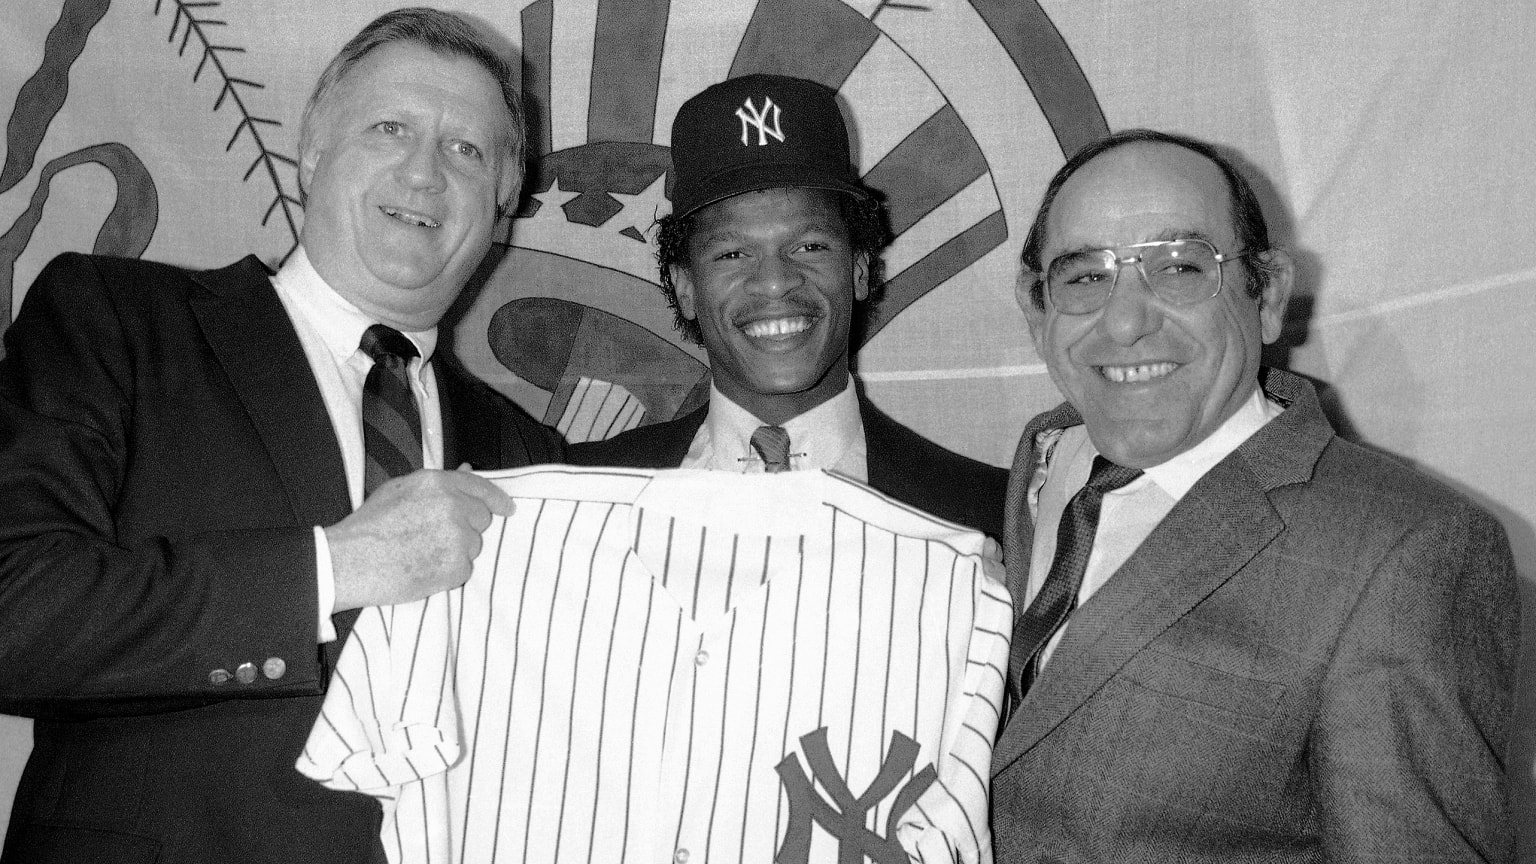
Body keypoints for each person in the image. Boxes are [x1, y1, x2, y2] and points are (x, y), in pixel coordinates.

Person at [0, 9, 561, 864]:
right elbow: (15, 614)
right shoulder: (117, 322)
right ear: (311, 153)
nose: (423, 173)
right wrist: (330, 568)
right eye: (389, 128)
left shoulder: (531, 454)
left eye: (467, 151)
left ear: (503, 203)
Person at [989, 129, 1519, 861]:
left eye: (1179, 269)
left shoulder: (1405, 554)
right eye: (1084, 278)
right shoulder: (1046, 453)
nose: (1125, 320)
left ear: (1267, 294)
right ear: (1036, 308)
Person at [568, 73, 1006, 541]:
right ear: (685, 287)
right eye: (732, 254)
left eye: (810, 246)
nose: (775, 282)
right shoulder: (582, 499)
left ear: (859, 269)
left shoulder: (986, 514)